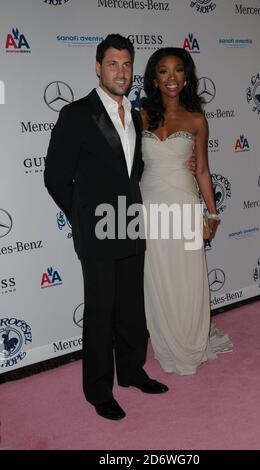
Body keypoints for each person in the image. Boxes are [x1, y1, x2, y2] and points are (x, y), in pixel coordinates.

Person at [44, 34, 169, 421]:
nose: (121, 71)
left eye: (127, 64)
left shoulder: (134, 114)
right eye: (113, 63)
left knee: (132, 307)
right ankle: (99, 391)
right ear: (98, 67)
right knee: (101, 312)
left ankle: (132, 372)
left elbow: (133, 171)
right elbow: (55, 177)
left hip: (130, 224)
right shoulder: (76, 114)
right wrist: (84, 219)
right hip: (98, 232)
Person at [140, 47, 232, 375]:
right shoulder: (140, 118)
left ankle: (191, 340)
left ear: (186, 77)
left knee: (188, 278)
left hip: (185, 207)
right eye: (163, 71)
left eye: (178, 70)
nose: (171, 78)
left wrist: (212, 214)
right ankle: (166, 340)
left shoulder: (196, 120)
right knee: (158, 279)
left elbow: (204, 170)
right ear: (153, 78)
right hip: (150, 210)